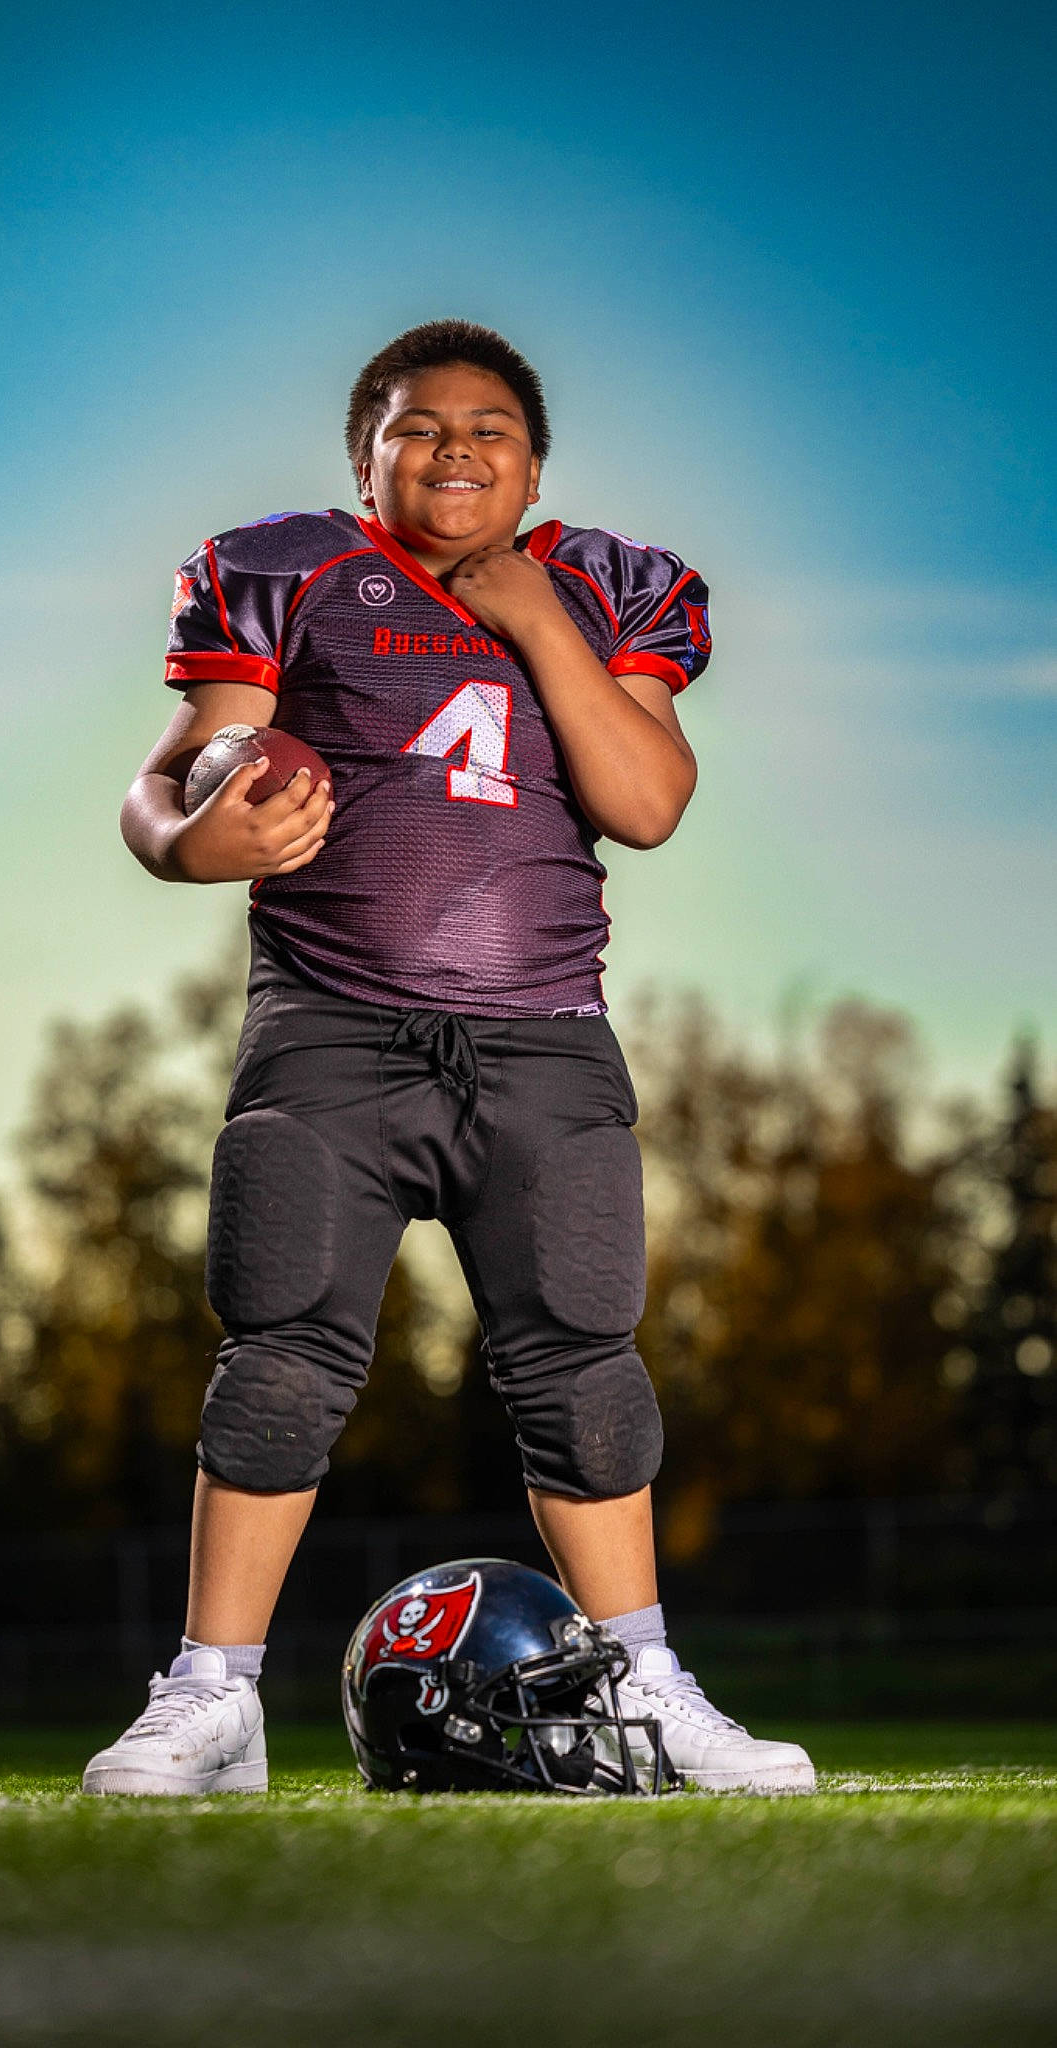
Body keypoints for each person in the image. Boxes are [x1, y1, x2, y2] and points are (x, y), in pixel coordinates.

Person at [83, 320, 814, 1797]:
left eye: (487, 428)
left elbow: (648, 799)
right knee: (279, 1352)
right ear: (365, 456)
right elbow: (172, 787)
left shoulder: (608, 586)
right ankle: (212, 1697)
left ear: (535, 461)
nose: (454, 449)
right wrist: (194, 839)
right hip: (329, 1030)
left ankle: (645, 1684)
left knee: (583, 1365)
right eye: (415, 426)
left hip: (541, 1038)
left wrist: (538, 617)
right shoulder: (285, 572)